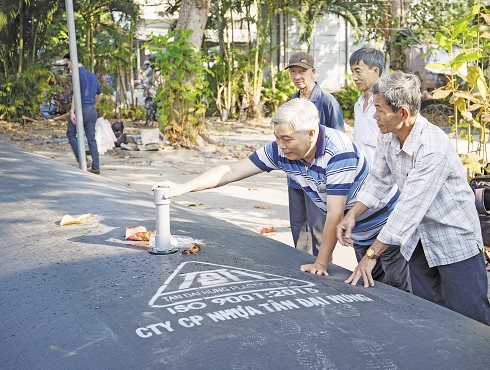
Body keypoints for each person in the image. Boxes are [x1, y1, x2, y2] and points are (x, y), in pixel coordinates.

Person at [152, 98, 409, 290]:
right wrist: (182, 188)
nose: (280, 145)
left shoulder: (337, 151)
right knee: (375, 290)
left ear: (311, 133)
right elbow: (232, 170)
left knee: (403, 294)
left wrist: (321, 264)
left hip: (386, 230)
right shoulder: (282, 149)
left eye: (286, 138)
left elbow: (333, 214)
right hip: (357, 235)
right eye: (277, 138)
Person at [337, 71, 490, 327]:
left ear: (404, 114)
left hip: (454, 240)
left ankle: (486, 366)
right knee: (429, 315)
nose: (374, 116)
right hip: (418, 240)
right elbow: (377, 180)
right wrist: (352, 214)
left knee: (472, 319)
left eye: (379, 110)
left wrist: (372, 254)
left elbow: (409, 207)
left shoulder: (432, 146)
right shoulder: (388, 135)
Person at [286, 51, 345, 257]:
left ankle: (323, 272)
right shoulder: (291, 103)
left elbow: (340, 143)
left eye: (301, 71)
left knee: (319, 231)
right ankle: (302, 273)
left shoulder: (328, 102)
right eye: (293, 72)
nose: (297, 76)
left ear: (313, 71)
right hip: (295, 176)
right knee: (299, 229)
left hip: (319, 178)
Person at [64, 53, 103, 174]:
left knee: (71, 133)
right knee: (91, 138)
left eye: (68, 63)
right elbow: (100, 94)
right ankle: (96, 166)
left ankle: (83, 160)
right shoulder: (92, 75)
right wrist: (93, 105)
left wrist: (72, 111)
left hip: (81, 111)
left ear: (73, 61)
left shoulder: (77, 74)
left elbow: (76, 95)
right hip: (92, 111)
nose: (68, 66)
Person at [349, 46, 384, 164]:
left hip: (381, 178)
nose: (354, 78)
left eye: (358, 71)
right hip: (360, 175)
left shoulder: (387, 104)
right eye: (352, 72)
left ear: (375, 71)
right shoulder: (358, 105)